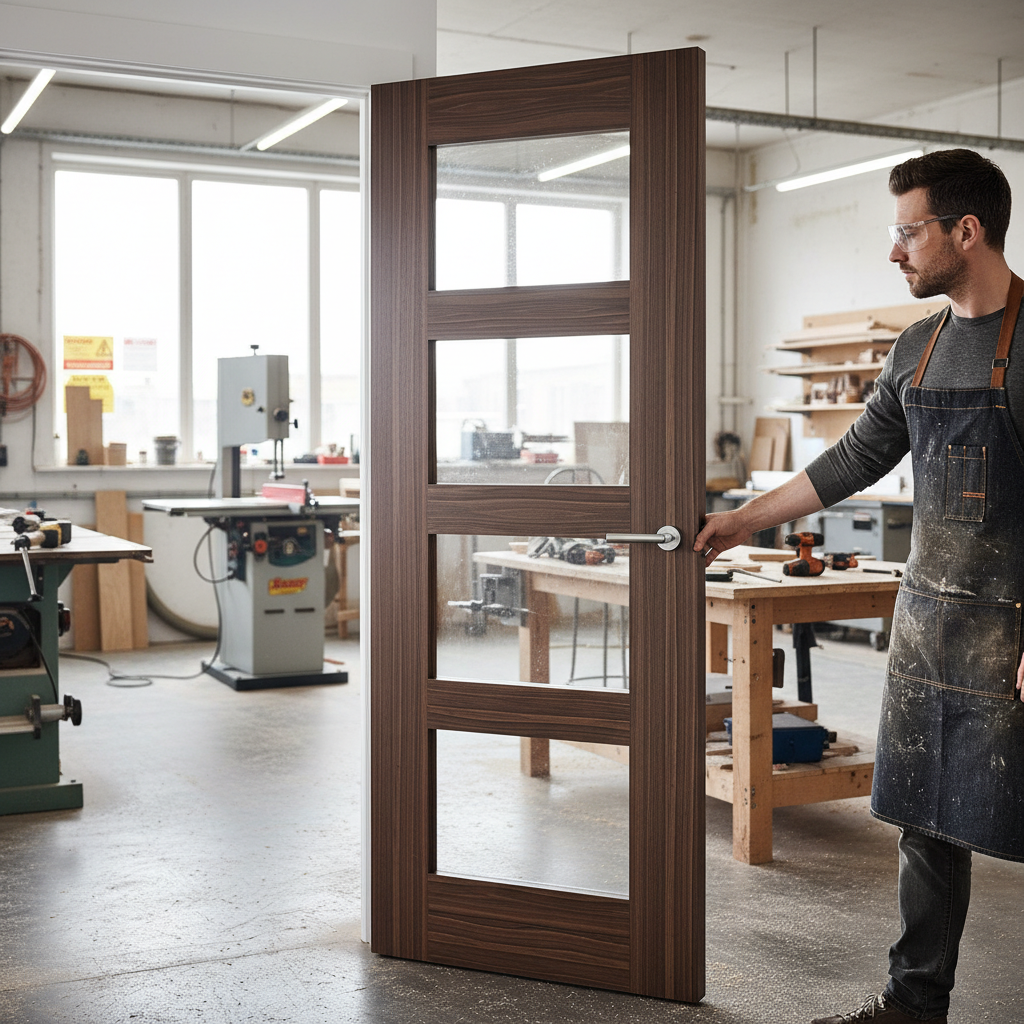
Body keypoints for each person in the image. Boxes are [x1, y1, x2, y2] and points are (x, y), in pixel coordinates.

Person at [694, 148, 1024, 1024]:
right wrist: (741, 521)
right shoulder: (917, 350)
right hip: (929, 624)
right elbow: (850, 461)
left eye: (907, 231)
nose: (895, 252)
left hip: (1014, 628)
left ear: (967, 229)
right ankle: (915, 1006)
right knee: (927, 823)